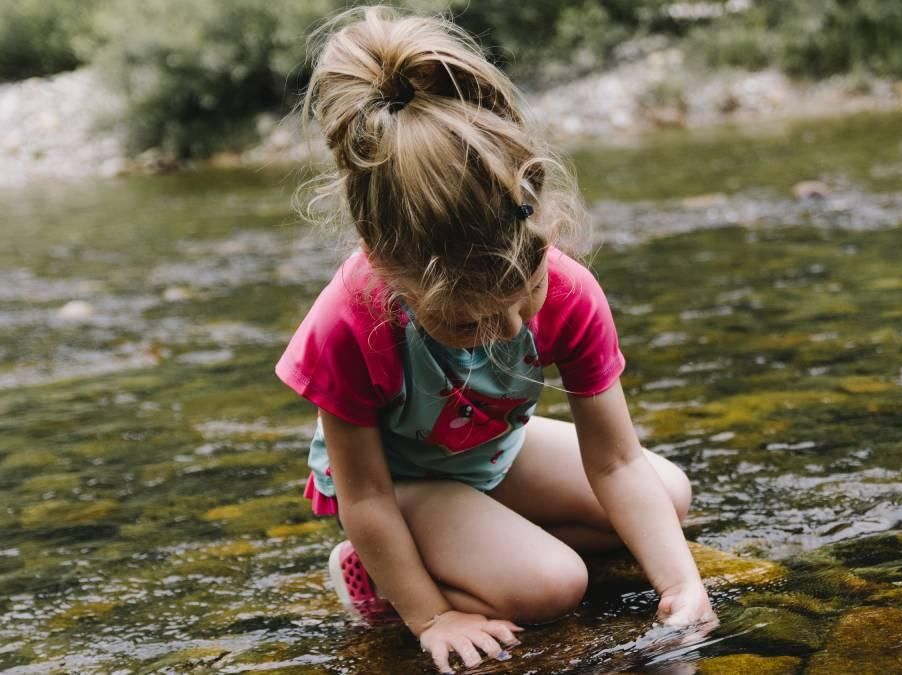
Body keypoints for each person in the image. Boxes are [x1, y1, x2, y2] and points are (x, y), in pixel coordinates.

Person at [275, 6, 716, 673]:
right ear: (390, 270)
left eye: (522, 299)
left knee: (667, 495)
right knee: (554, 585)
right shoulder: (349, 322)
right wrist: (432, 614)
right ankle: (379, 575)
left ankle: (483, 544)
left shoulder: (567, 291)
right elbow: (363, 495)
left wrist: (682, 585)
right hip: (402, 485)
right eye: (467, 323)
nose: (509, 331)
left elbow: (617, 462)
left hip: (489, 452)